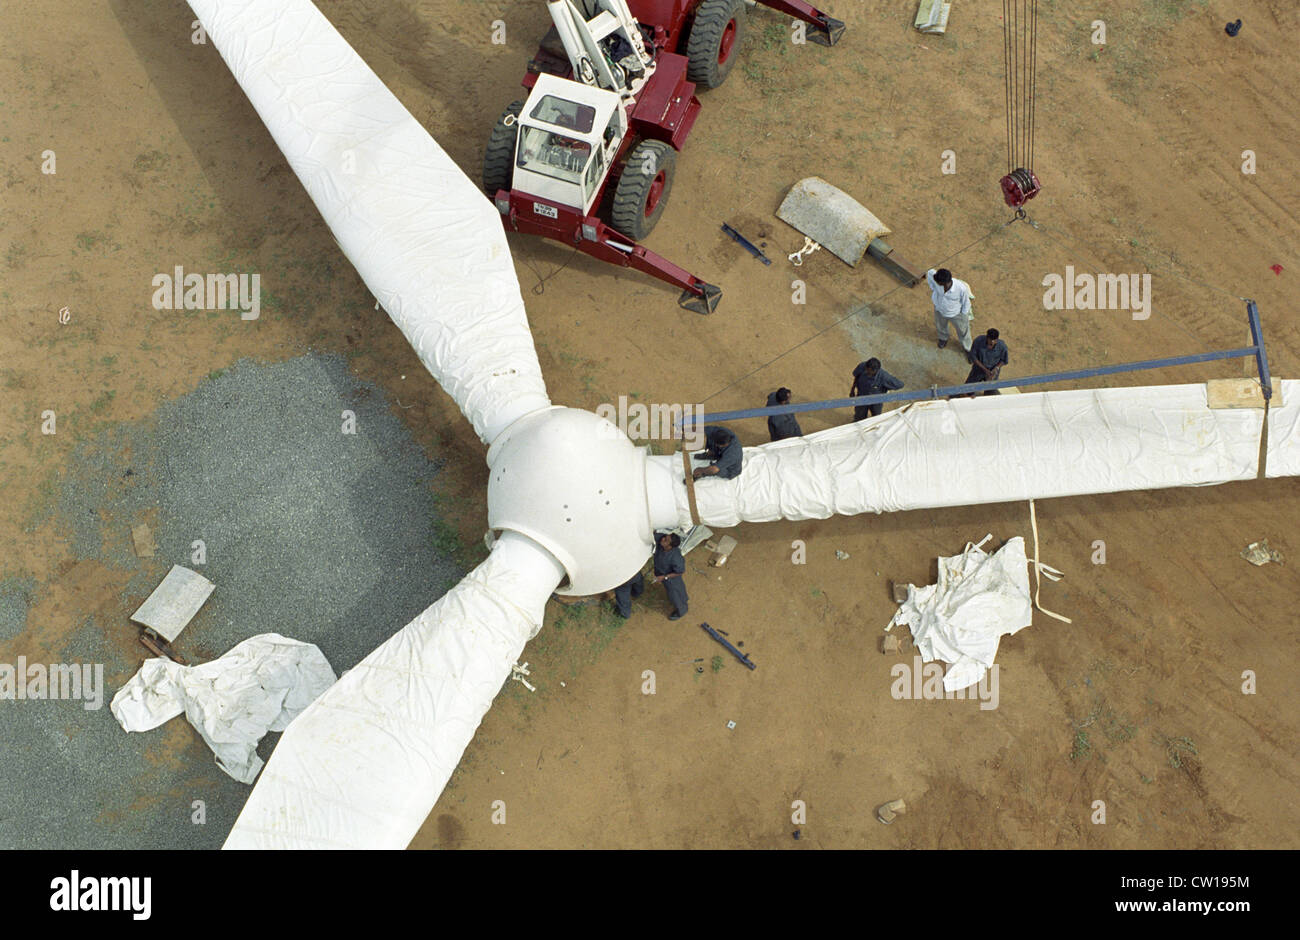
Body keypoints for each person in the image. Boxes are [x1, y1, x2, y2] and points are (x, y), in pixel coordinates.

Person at [926, 267, 974, 352]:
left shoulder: (961, 288)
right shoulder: (936, 277)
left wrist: (963, 315)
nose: (936, 283)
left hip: (956, 314)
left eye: (937, 283)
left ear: (943, 283)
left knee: (963, 331)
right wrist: (933, 288)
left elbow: (966, 303)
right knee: (940, 326)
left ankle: (968, 347)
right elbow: (929, 272)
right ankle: (943, 338)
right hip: (939, 310)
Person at [652, 532, 688, 621]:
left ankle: (682, 610)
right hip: (661, 574)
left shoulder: (675, 557)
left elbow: (680, 571)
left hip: (671, 579)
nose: (663, 539)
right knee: (676, 592)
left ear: (670, 546)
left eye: (666, 540)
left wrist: (665, 577)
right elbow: (653, 535)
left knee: (674, 594)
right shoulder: (662, 543)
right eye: (665, 537)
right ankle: (683, 599)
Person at [964, 328, 1009, 395]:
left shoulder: (1002, 347)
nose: (992, 342)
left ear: (997, 339)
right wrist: (985, 370)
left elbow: (1004, 360)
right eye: (990, 340)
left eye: (994, 340)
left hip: (992, 373)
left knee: (990, 391)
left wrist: (996, 368)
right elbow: (973, 357)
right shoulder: (978, 341)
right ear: (987, 338)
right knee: (969, 388)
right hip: (978, 370)